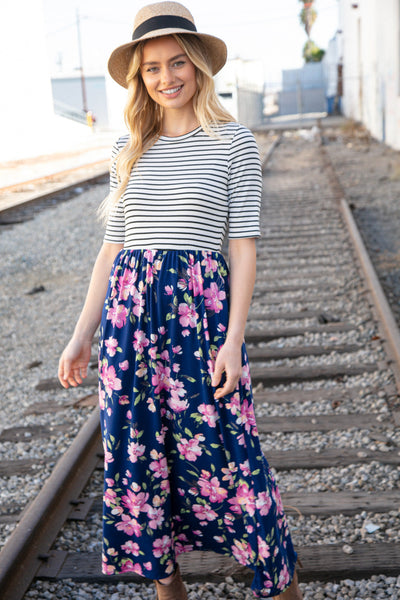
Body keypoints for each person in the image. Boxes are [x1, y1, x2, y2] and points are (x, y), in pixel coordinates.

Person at [58, 3, 302, 599]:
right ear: (139, 79)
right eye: (151, 69)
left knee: (234, 459)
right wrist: (81, 333)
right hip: (128, 328)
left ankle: (283, 584)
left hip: (202, 322)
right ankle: (170, 590)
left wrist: (233, 339)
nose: (166, 78)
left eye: (176, 63)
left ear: (197, 66)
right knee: (138, 461)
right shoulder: (128, 147)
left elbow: (241, 249)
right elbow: (113, 249)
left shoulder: (233, 142)